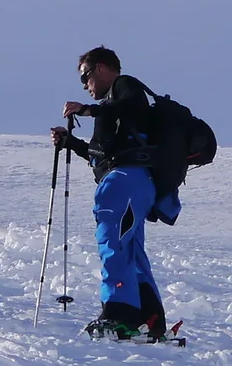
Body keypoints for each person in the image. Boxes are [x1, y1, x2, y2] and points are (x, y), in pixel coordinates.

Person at [51, 47, 177, 341]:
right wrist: (71, 142)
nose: (85, 85)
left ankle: (119, 314)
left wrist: (87, 109)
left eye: (86, 76)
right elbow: (101, 154)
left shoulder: (125, 86)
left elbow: (132, 106)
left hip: (125, 180)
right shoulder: (111, 109)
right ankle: (150, 318)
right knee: (130, 248)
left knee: (113, 240)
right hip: (132, 179)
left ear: (103, 68)